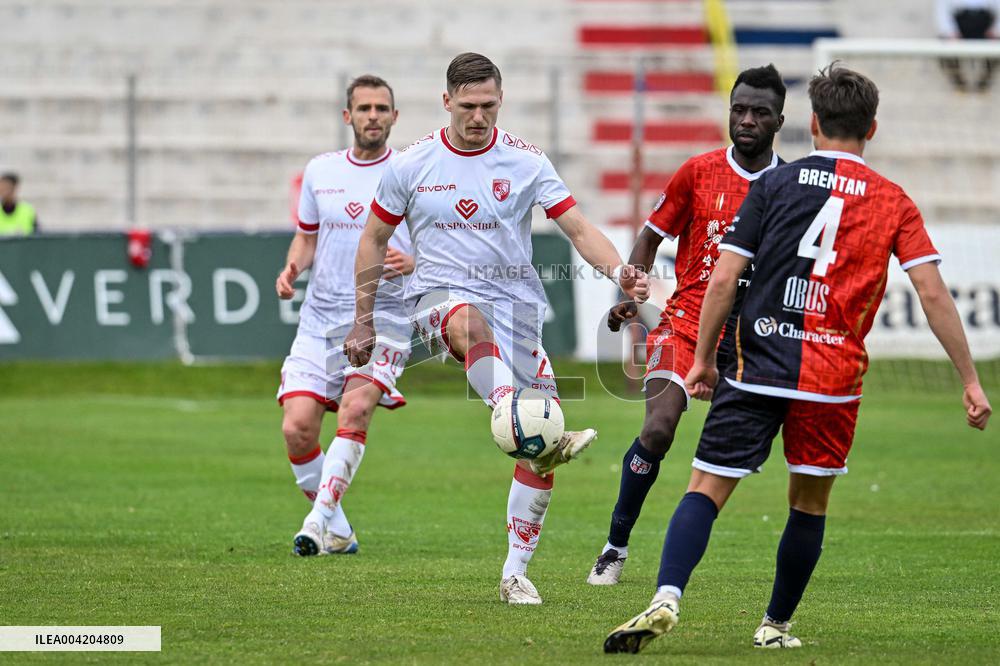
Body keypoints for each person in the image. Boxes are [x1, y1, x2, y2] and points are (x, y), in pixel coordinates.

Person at [604, 63, 992, 653]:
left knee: (705, 487)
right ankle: (774, 625)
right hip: (832, 378)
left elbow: (725, 278)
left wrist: (705, 359)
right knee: (808, 504)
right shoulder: (894, 201)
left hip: (758, 360)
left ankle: (666, 595)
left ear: (809, 122)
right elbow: (932, 293)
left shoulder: (773, 186)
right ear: (874, 128)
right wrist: (969, 379)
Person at [344, 52, 650, 604]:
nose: (478, 116)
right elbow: (372, 238)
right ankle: (508, 407)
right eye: (467, 106)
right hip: (437, 300)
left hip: (518, 311)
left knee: (542, 450)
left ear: (500, 101)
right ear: (446, 103)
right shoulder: (411, 164)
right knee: (469, 324)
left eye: (487, 105)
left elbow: (578, 228)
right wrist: (362, 317)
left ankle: (515, 573)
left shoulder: (527, 162)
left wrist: (621, 271)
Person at [586, 64, 786, 586]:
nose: (746, 120)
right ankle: (615, 545)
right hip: (684, 324)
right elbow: (651, 237)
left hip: (748, 340)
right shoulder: (697, 172)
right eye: (738, 109)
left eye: (759, 112)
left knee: (729, 460)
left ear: (779, 120)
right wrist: (632, 292)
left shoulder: (790, 187)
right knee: (656, 429)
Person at [275, 74, 415, 557]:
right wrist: (294, 265)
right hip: (320, 317)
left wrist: (415, 263)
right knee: (297, 428)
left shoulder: (413, 171)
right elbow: (307, 236)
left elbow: (439, 244)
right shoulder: (321, 171)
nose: (373, 116)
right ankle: (339, 528)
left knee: (355, 410)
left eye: (382, 108)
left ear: (395, 117)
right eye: (364, 108)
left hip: (387, 316)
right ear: (347, 117)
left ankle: (315, 524)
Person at [937, 0, 1000, 91]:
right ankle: (959, 81)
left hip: (986, 27)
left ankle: (985, 79)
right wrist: (951, 32)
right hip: (959, 27)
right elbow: (942, 12)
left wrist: (996, 30)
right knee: (943, 46)